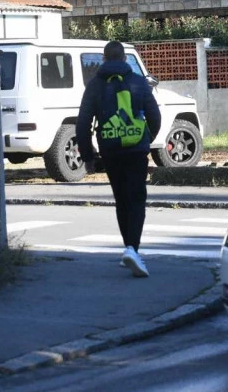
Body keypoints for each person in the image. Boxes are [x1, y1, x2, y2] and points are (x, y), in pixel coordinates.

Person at [77, 41, 161, 278]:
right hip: (136, 151)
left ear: (104, 59)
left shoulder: (95, 84)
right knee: (136, 199)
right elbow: (155, 115)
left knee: (122, 198)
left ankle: (129, 248)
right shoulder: (138, 82)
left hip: (111, 150)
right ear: (124, 59)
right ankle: (132, 249)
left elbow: (82, 123)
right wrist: (146, 139)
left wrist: (88, 156)